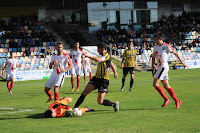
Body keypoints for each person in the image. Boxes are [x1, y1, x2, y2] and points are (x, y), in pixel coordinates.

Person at [74, 42, 119, 112]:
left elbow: (98, 60)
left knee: (100, 101)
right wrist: (115, 72)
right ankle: (74, 108)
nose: (97, 51)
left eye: (98, 49)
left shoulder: (107, 55)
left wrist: (87, 56)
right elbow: (111, 64)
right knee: (84, 92)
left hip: (104, 80)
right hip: (96, 78)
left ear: (103, 49)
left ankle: (114, 104)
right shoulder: (102, 56)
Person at [152, 32, 188, 108]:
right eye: (154, 40)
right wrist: (153, 64)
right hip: (159, 67)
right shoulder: (155, 47)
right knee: (166, 85)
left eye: (156, 40)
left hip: (163, 67)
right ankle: (177, 101)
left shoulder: (166, 46)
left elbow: (176, 53)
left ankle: (166, 99)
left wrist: (182, 63)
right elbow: (153, 56)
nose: (155, 41)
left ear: (160, 39)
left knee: (155, 84)